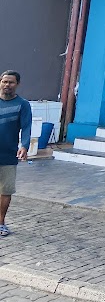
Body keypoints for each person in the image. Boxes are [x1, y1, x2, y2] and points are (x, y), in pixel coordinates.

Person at [0, 71, 32, 237]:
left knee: (6, 190)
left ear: (17, 84)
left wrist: (24, 145)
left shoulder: (23, 104)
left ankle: (1, 223)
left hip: (8, 154)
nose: (7, 85)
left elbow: (26, 127)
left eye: (11, 82)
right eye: (4, 81)